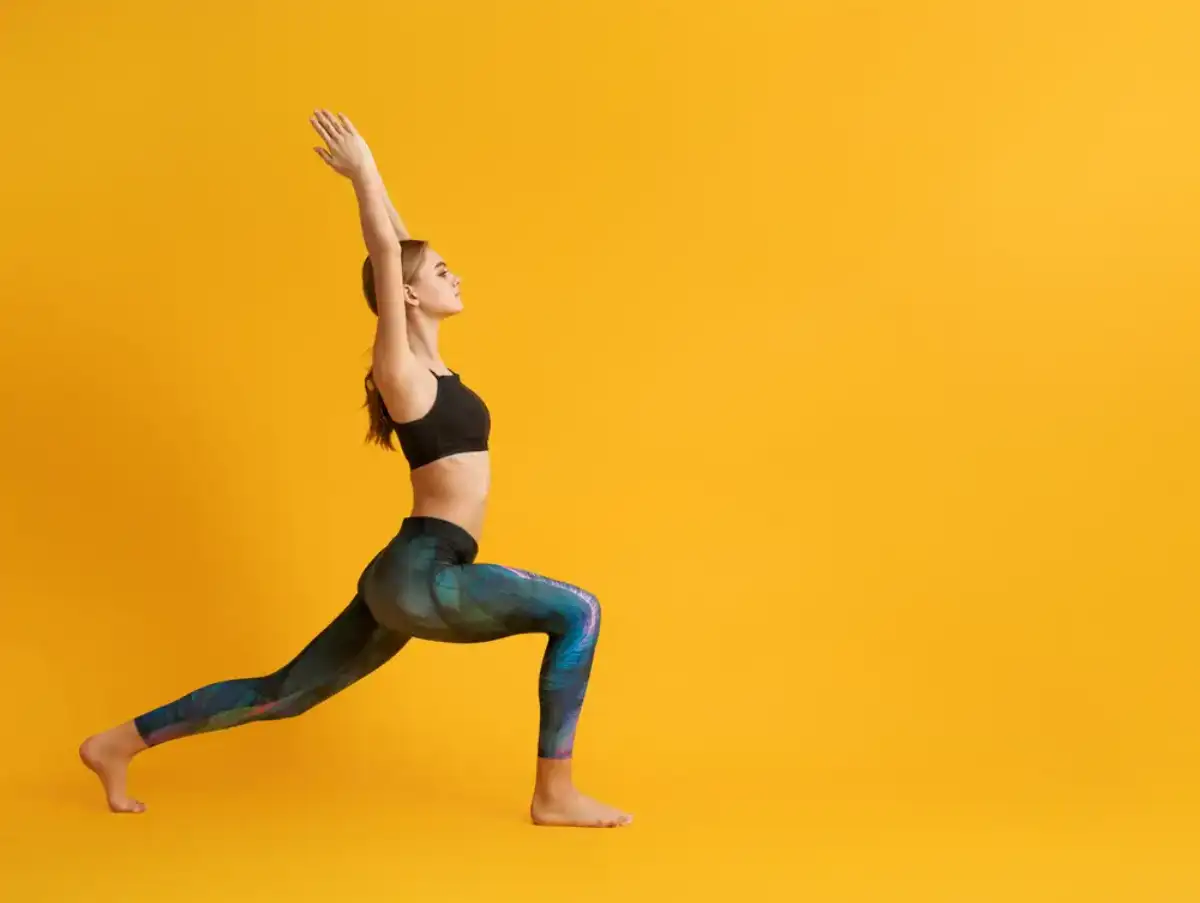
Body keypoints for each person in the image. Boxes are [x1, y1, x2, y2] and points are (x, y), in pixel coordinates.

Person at [78, 110, 632, 828]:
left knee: (285, 691)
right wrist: (363, 173)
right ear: (407, 298)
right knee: (578, 612)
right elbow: (384, 249)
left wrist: (385, 202)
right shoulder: (400, 369)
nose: (453, 273)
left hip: (406, 569)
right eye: (440, 271)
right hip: (425, 572)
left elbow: (396, 249)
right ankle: (554, 793)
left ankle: (116, 743)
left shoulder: (432, 365)